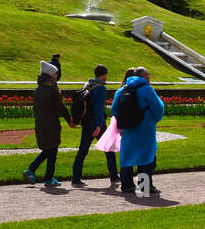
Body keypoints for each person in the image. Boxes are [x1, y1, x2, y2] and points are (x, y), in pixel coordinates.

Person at [113, 67, 165, 195]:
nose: (149, 77)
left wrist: (125, 120)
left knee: (126, 155)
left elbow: (115, 109)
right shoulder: (147, 89)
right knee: (146, 157)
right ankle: (144, 187)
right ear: (143, 77)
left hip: (128, 129)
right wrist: (153, 119)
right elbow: (158, 109)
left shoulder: (122, 90)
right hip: (145, 127)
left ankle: (126, 185)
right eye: (148, 75)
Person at [25, 62, 72, 186]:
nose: (57, 76)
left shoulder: (37, 90)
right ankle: (45, 176)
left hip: (40, 123)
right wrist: (69, 120)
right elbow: (61, 108)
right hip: (52, 124)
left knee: (49, 150)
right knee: (52, 151)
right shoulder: (52, 91)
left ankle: (33, 171)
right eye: (55, 75)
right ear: (50, 76)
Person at [71, 65, 117, 186]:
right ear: (104, 74)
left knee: (82, 151)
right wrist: (98, 126)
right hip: (98, 124)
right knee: (109, 149)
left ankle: (75, 178)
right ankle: (114, 176)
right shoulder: (101, 88)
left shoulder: (87, 85)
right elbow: (98, 108)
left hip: (86, 122)